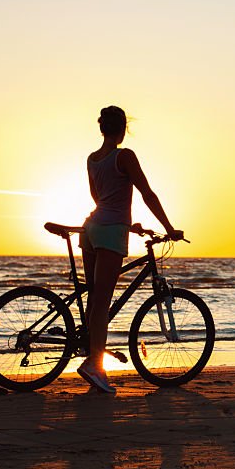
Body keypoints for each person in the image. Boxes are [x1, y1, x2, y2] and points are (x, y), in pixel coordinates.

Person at [77, 105, 183, 394]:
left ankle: (91, 352)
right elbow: (147, 193)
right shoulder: (124, 156)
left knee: (94, 298)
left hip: (91, 228)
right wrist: (169, 227)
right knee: (102, 301)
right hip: (110, 232)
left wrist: (128, 224)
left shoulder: (93, 159)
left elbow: (99, 197)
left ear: (102, 128)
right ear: (123, 128)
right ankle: (94, 366)